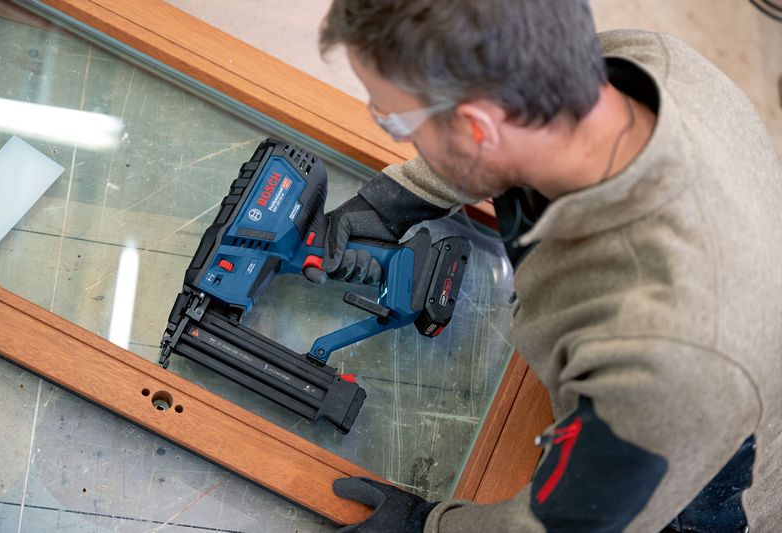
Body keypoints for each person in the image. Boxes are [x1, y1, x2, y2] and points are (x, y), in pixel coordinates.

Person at [311, 0, 782, 531]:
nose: (398, 136)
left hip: (699, 484)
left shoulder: (668, 348)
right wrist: (400, 198)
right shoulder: (644, 64)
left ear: (475, 128)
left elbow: (564, 525)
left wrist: (429, 525)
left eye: (394, 117)